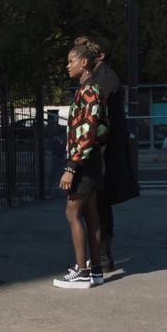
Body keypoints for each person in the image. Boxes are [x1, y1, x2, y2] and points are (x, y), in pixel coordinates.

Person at [73, 36, 139, 272]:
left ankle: (100, 258)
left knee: (97, 204)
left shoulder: (106, 78)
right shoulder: (93, 78)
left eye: (90, 50)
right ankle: (97, 259)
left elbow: (92, 116)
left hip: (104, 153)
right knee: (94, 205)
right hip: (98, 150)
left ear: (99, 56)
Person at [54, 43, 109, 289]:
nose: (68, 66)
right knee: (91, 214)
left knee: (72, 213)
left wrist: (71, 167)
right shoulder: (91, 90)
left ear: (83, 63)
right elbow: (102, 129)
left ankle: (82, 271)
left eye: (71, 61)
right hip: (92, 159)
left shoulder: (88, 91)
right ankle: (95, 270)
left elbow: (86, 132)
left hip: (83, 162)